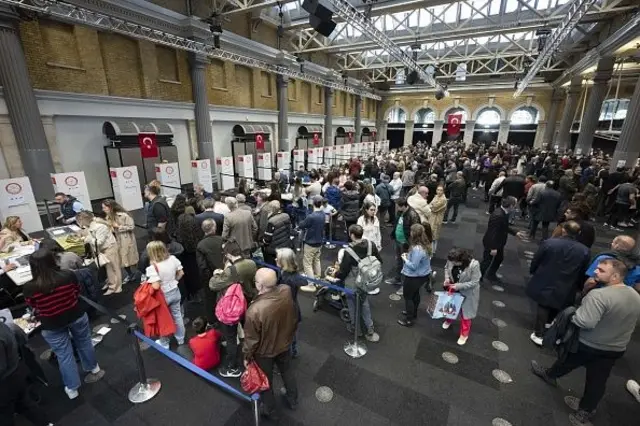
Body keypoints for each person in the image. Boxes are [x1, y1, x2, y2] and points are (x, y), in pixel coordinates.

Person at [531, 258, 640, 425]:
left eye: (602, 270)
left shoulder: (599, 295)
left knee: (567, 360)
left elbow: (585, 322)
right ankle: (586, 410)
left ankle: (550, 375)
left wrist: (573, 313)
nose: (596, 271)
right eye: (598, 268)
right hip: (615, 348)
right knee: (598, 380)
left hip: (588, 344)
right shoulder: (635, 295)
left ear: (615, 276)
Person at [23, 249, 105, 400]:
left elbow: (33, 306)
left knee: (64, 355)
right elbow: (77, 291)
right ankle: (94, 367)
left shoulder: (30, 287)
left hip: (52, 324)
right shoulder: (68, 275)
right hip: (75, 314)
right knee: (84, 342)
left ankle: (72, 388)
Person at [243, 268, 298, 419]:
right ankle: (293, 399)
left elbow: (251, 340)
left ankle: (270, 410)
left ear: (259, 285)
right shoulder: (286, 290)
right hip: (285, 343)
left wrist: (246, 357)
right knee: (286, 370)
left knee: (265, 382)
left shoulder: (254, 310)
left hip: (265, 352)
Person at [526, 221, 590, 346]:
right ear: (579, 233)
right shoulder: (584, 250)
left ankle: (539, 333)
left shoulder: (549, 243)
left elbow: (537, 259)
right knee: (559, 303)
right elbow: (583, 270)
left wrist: (533, 270)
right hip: (568, 282)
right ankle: (549, 324)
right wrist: (580, 286)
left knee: (543, 305)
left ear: (564, 230)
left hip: (546, 278)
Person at [209, 240, 256, 378]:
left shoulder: (231, 271)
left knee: (231, 338)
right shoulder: (251, 263)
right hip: (248, 303)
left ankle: (232, 367)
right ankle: (251, 358)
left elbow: (213, 285)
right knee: (249, 333)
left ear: (229, 255)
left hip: (234, 306)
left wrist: (217, 273)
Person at [334, 224, 381, 342]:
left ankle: (356, 329)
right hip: (367, 280)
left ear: (352, 235)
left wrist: (335, 274)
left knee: (352, 303)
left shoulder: (349, 252)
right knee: (364, 303)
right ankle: (370, 328)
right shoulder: (371, 245)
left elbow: (343, 272)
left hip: (353, 281)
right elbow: (379, 260)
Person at [0, 322, 52, 425]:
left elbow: (1, 368)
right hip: (17, 372)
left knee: (4, 417)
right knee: (26, 404)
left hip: (5, 383)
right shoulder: (3, 326)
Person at [144, 240, 186, 350]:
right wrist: (174, 281)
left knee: (162, 320)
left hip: (162, 296)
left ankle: (164, 342)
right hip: (175, 291)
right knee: (177, 316)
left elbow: (156, 286)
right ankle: (180, 339)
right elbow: (181, 273)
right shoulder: (172, 259)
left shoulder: (152, 267)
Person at [76, 211, 122, 295]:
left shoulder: (100, 227)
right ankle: (110, 283)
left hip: (109, 248)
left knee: (113, 268)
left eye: (79, 221)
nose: (79, 224)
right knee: (108, 268)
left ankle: (116, 287)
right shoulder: (91, 225)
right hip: (103, 249)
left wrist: (87, 239)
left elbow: (99, 241)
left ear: (82, 220)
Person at [442, 248, 481, 345]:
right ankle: (448, 320)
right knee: (450, 307)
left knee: (465, 315)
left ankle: (464, 334)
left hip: (468, 293)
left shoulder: (474, 265)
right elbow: (446, 268)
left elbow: (474, 282)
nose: (453, 264)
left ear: (461, 260)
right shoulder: (451, 259)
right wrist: (447, 279)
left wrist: (458, 286)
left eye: (455, 263)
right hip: (453, 289)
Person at [397, 224, 432, 327]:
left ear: (414, 234)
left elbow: (413, 266)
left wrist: (405, 259)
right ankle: (413, 313)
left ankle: (409, 319)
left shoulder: (417, 249)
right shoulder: (425, 244)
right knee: (415, 294)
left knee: (408, 297)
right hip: (422, 276)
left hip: (414, 277)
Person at [276, 248, 305, 358]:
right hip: (291, 306)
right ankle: (292, 351)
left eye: (278, 258)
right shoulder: (287, 273)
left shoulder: (287, 278)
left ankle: (289, 353)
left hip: (287, 308)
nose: (275, 259)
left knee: (287, 332)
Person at [480, 196, 517, 282]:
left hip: (499, 242)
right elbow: (492, 232)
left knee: (499, 258)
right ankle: (478, 277)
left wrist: (515, 233)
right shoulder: (498, 215)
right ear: (511, 205)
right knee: (487, 261)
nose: (516, 207)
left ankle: (491, 274)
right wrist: (493, 247)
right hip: (492, 243)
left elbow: (504, 227)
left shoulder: (504, 212)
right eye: (515, 205)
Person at [102, 199, 139, 284]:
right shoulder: (108, 216)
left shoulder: (123, 215)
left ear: (110, 207)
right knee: (123, 259)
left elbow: (131, 226)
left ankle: (143, 272)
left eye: (104, 207)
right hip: (117, 241)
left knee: (132, 258)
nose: (103, 209)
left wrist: (118, 226)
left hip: (126, 240)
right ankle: (130, 274)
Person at [387, 197, 421, 286]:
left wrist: (411, 244)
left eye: (398, 206)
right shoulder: (400, 212)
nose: (397, 208)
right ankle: (398, 278)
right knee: (398, 261)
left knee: (407, 263)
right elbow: (397, 224)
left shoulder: (413, 215)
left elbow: (416, 231)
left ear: (403, 206)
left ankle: (405, 284)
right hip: (398, 241)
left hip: (407, 243)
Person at [196, 219, 224, 324]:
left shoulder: (200, 245)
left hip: (210, 277)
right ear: (214, 227)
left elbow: (202, 266)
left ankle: (212, 321)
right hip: (225, 273)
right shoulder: (222, 240)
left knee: (209, 299)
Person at [298, 196, 325, 292]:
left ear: (313, 203)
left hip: (311, 243)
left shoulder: (311, 216)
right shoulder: (323, 214)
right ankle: (317, 279)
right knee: (317, 260)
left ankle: (311, 285)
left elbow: (302, 225)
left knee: (307, 264)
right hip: (319, 242)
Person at [176, 206, 201, 300]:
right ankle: (196, 294)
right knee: (194, 273)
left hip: (184, 253)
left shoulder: (180, 220)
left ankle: (190, 294)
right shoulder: (194, 221)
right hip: (192, 253)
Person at [261, 201, 293, 266]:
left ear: (271, 209)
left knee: (272, 266)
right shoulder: (286, 215)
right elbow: (290, 230)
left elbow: (267, 240)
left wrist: (263, 242)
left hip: (273, 249)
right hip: (285, 245)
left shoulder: (271, 221)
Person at [428, 185, 447, 254]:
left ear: (443, 191)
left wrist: (432, 205)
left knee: (434, 236)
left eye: (441, 190)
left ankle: (432, 251)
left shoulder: (443, 199)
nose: (439, 191)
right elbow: (430, 204)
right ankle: (431, 250)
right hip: (432, 218)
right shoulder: (436, 196)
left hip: (437, 219)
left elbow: (434, 208)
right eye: (438, 190)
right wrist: (431, 205)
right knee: (431, 234)